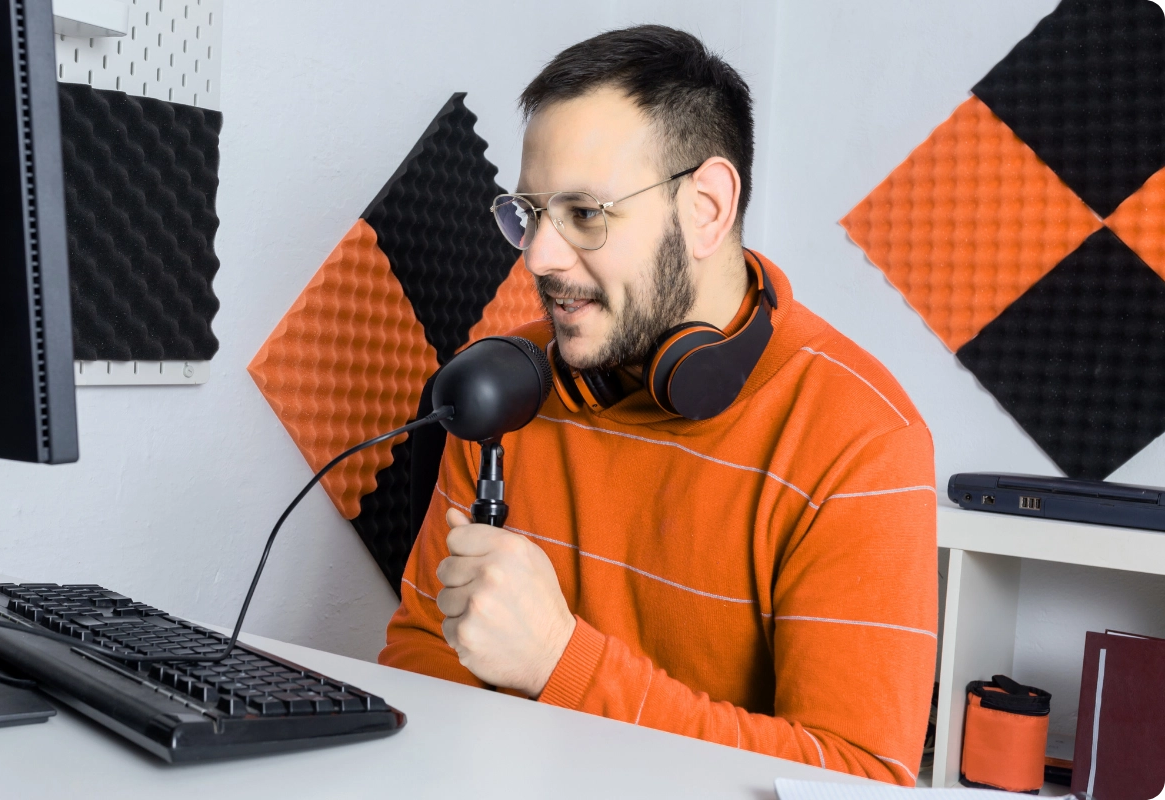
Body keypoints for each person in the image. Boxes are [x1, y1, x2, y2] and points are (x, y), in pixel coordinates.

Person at [379, 25, 937, 786]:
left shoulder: (862, 438)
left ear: (706, 208)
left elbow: (853, 781)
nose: (538, 257)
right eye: (529, 213)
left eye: (584, 214)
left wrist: (561, 662)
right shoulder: (506, 382)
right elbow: (421, 654)